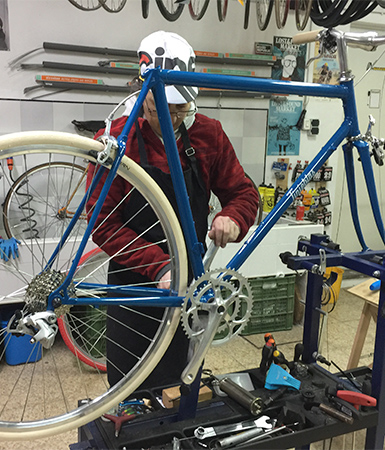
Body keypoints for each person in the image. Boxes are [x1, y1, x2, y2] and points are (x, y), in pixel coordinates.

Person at [87, 31, 260, 389]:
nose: (173, 119)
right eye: (160, 110)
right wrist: (160, 267)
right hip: (132, 286)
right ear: (143, 95)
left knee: (181, 383)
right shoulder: (118, 140)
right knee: (128, 390)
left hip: (188, 288)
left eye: (182, 109)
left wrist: (233, 217)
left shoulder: (209, 135)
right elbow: (103, 224)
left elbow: (244, 193)